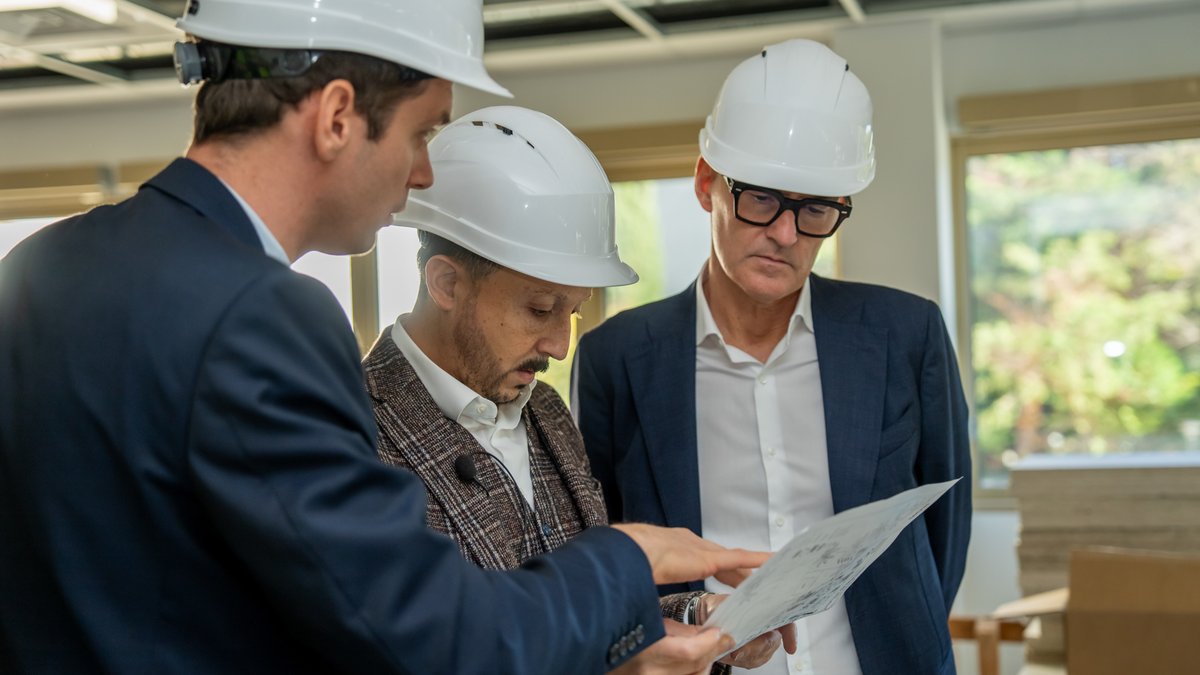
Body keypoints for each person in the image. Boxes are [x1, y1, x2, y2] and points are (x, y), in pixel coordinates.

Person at [0, 1, 769, 672]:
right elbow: (428, 636)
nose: (426, 172)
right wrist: (627, 558)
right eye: (421, 130)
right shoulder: (262, 316)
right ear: (337, 117)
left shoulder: (40, 268)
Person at [572, 39, 972, 675]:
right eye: (761, 199)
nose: (785, 234)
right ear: (706, 183)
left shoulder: (905, 334)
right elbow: (612, 547)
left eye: (814, 209)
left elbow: (944, 528)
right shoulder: (616, 358)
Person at [365, 105, 795, 673]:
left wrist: (697, 617)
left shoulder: (544, 408)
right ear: (446, 283)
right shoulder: (352, 433)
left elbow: (583, 607)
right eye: (541, 308)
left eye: (572, 311)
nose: (561, 346)